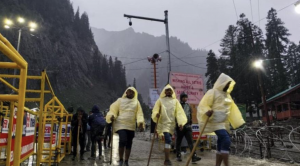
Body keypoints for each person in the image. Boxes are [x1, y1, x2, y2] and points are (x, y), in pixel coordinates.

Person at [197, 73, 245, 166]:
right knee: (226, 139)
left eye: (229, 84)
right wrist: (207, 111)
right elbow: (203, 104)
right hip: (214, 121)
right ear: (222, 83)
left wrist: (237, 121)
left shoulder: (227, 96)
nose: (227, 85)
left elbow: (232, 109)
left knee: (220, 142)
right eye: (226, 83)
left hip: (224, 123)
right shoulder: (212, 92)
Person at [106, 87, 145, 166]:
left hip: (131, 125)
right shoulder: (120, 101)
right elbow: (113, 110)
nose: (130, 93)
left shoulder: (136, 102)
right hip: (121, 124)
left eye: (132, 92)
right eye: (129, 91)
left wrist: (140, 122)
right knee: (123, 140)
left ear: (134, 94)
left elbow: (139, 113)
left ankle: (126, 161)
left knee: (129, 143)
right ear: (126, 93)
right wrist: (112, 116)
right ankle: (121, 159)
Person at [151, 84, 187, 166]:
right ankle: (167, 160)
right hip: (163, 124)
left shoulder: (176, 101)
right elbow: (155, 109)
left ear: (172, 92)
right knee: (168, 140)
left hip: (171, 124)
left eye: (170, 90)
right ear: (164, 91)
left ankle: (167, 160)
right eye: (167, 90)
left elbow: (179, 113)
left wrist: (180, 123)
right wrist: (156, 114)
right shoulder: (160, 100)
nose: (168, 91)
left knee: (168, 141)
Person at [175, 92, 201, 162]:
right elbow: (177, 115)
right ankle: (178, 155)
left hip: (188, 126)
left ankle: (194, 156)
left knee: (190, 142)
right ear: (181, 98)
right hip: (180, 126)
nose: (185, 98)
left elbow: (190, 114)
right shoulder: (178, 105)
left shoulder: (188, 105)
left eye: (186, 97)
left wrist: (191, 121)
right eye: (183, 97)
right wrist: (179, 124)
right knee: (179, 142)